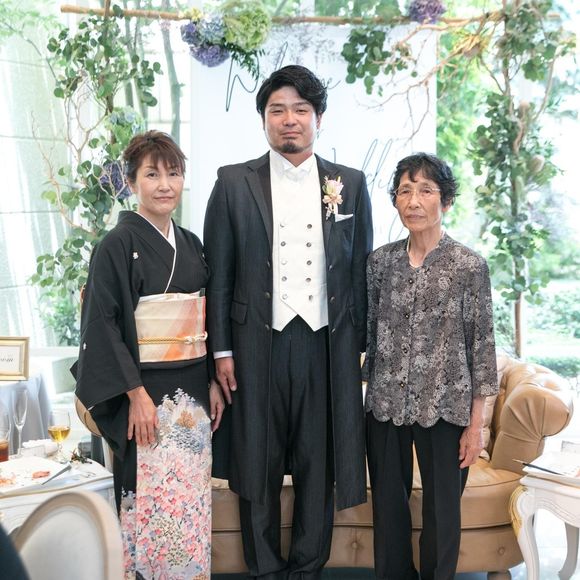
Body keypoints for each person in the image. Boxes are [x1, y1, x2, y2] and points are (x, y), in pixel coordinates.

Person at [203, 65, 373, 579]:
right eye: (277, 110)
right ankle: (265, 570)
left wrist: (360, 350)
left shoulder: (349, 183)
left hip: (325, 344)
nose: (289, 119)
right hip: (257, 344)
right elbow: (219, 274)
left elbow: (360, 272)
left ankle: (307, 569)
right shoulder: (232, 182)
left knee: (318, 463)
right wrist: (221, 352)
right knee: (258, 458)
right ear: (263, 120)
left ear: (318, 118)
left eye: (300, 109)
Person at [74, 131, 224, 579]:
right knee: (149, 500)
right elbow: (102, 325)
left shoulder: (191, 244)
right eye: (152, 174)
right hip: (146, 397)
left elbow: (204, 320)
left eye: (173, 174)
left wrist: (213, 381)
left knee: (189, 504)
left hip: (192, 395)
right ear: (131, 181)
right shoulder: (115, 246)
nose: (164, 185)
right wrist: (135, 394)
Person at [364, 153, 499, 580]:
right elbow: (369, 335)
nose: (414, 201)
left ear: (446, 200)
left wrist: (475, 426)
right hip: (385, 405)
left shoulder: (468, 266)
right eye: (405, 191)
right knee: (388, 512)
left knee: (442, 518)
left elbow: (482, 348)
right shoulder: (380, 263)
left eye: (426, 190)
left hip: (446, 407)